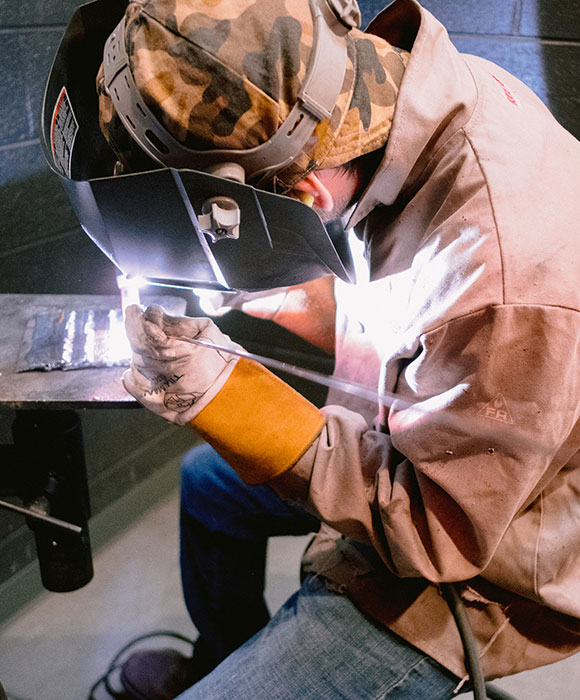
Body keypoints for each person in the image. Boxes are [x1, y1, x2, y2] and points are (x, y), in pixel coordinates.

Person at [92, 0, 580, 697]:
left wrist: (222, 395)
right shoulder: (395, 100)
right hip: (444, 442)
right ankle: (224, 652)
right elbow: (419, 327)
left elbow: (433, 530)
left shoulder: (503, 277)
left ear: (306, 192)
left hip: (487, 557)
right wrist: (277, 293)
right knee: (208, 486)